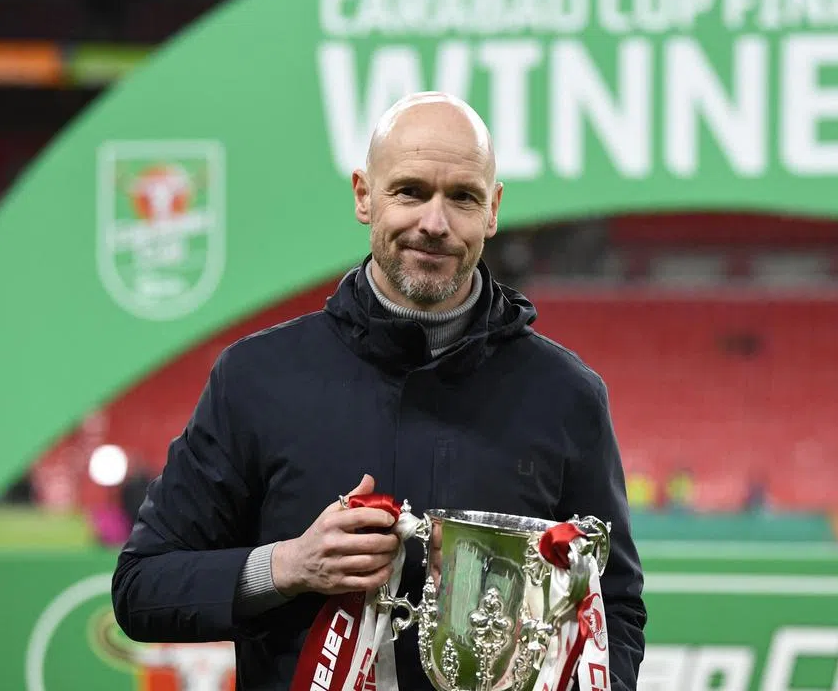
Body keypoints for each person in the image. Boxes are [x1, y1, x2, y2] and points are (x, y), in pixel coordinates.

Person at [111, 92, 647, 690]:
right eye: (410, 191)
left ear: (492, 211)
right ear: (364, 196)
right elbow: (141, 589)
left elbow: (615, 607)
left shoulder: (567, 396)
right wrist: (289, 565)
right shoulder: (255, 378)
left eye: (463, 197)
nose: (434, 223)